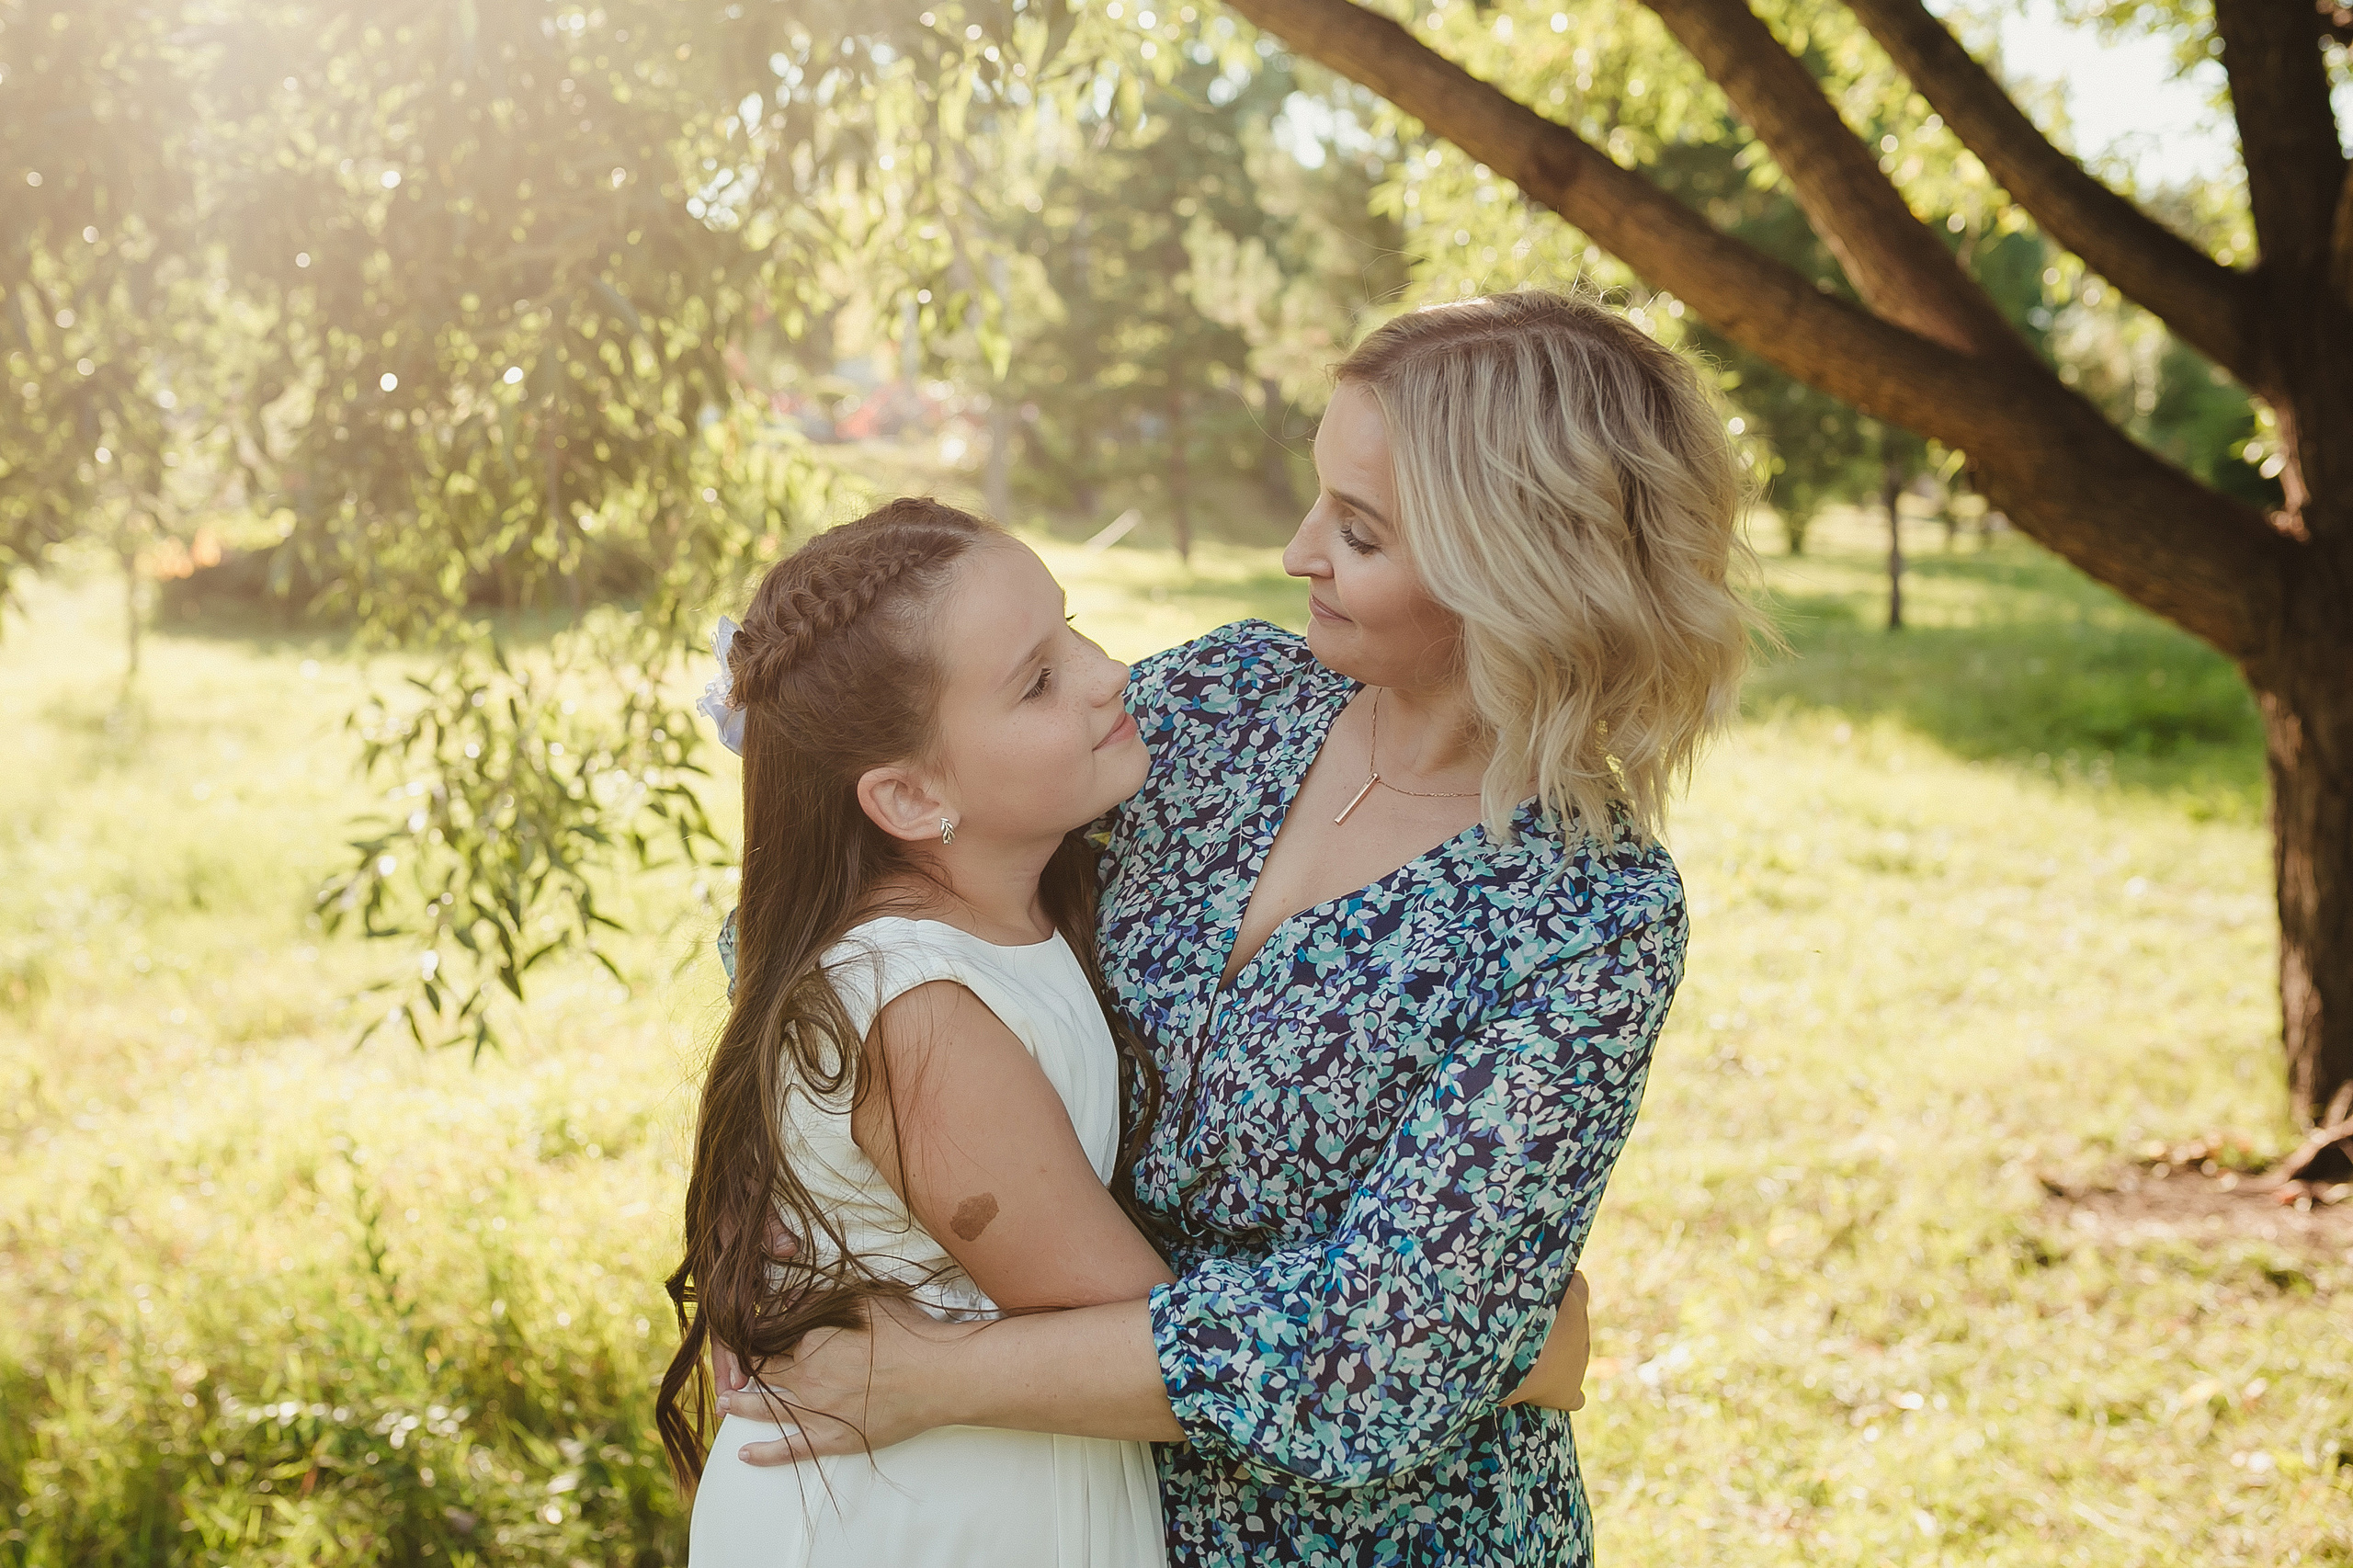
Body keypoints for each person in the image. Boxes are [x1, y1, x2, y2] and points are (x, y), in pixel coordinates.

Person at [716, 289, 1756, 1565]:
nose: (1298, 550)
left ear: (1519, 571)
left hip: (1380, 1538)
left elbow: (1380, 1373)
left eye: (1361, 530)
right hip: (1062, 1507)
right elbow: (850, 915)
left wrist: (940, 1368)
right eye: (1319, 492)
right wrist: (803, 1210)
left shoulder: (1587, 911)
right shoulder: (1221, 707)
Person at [672, 495, 1591, 1565]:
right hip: (928, 1514)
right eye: (1038, 678)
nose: (1110, 671)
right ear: (911, 796)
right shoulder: (919, 1012)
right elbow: (1170, 1336)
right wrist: (1515, 1345)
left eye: (1071, 628)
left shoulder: (1031, 870)